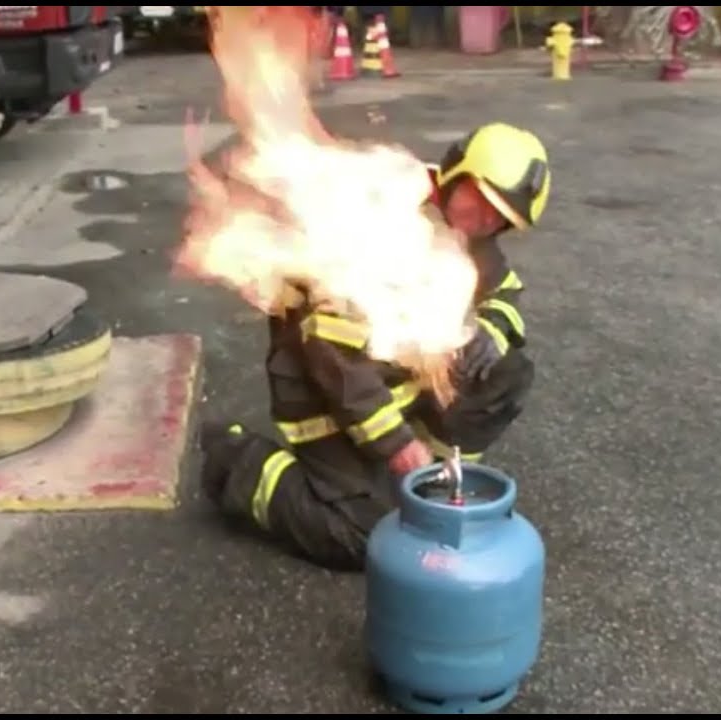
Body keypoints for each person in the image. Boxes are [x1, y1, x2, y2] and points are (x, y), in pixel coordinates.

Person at [201, 122, 550, 571]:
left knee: (506, 372)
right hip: (325, 392)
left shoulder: (472, 235)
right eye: (480, 201)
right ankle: (237, 464)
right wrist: (396, 445)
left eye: (498, 217)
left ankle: (435, 486)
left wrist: (490, 329)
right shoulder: (385, 216)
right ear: (454, 175)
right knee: (365, 538)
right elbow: (334, 358)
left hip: (401, 384)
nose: (484, 220)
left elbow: (505, 290)